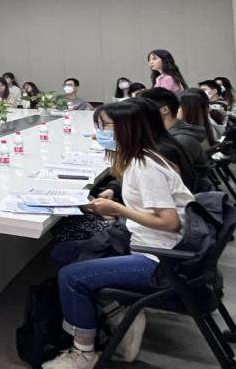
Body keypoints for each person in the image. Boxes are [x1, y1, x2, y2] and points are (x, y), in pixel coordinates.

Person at [42, 100, 194, 369]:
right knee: (65, 251)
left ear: (128, 127)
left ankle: (84, 352)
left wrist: (117, 209)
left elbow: (170, 222)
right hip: (146, 240)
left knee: (71, 277)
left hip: (160, 257)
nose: (100, 132)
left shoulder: (146, 168)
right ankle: (118, 311)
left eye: (105, 126)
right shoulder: (141, 159)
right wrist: (116, 209)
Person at [137, 88, 209, 184]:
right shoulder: (169, 134)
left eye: (144, 110)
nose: (139, 115)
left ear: (164, 110)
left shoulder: (180, 140)